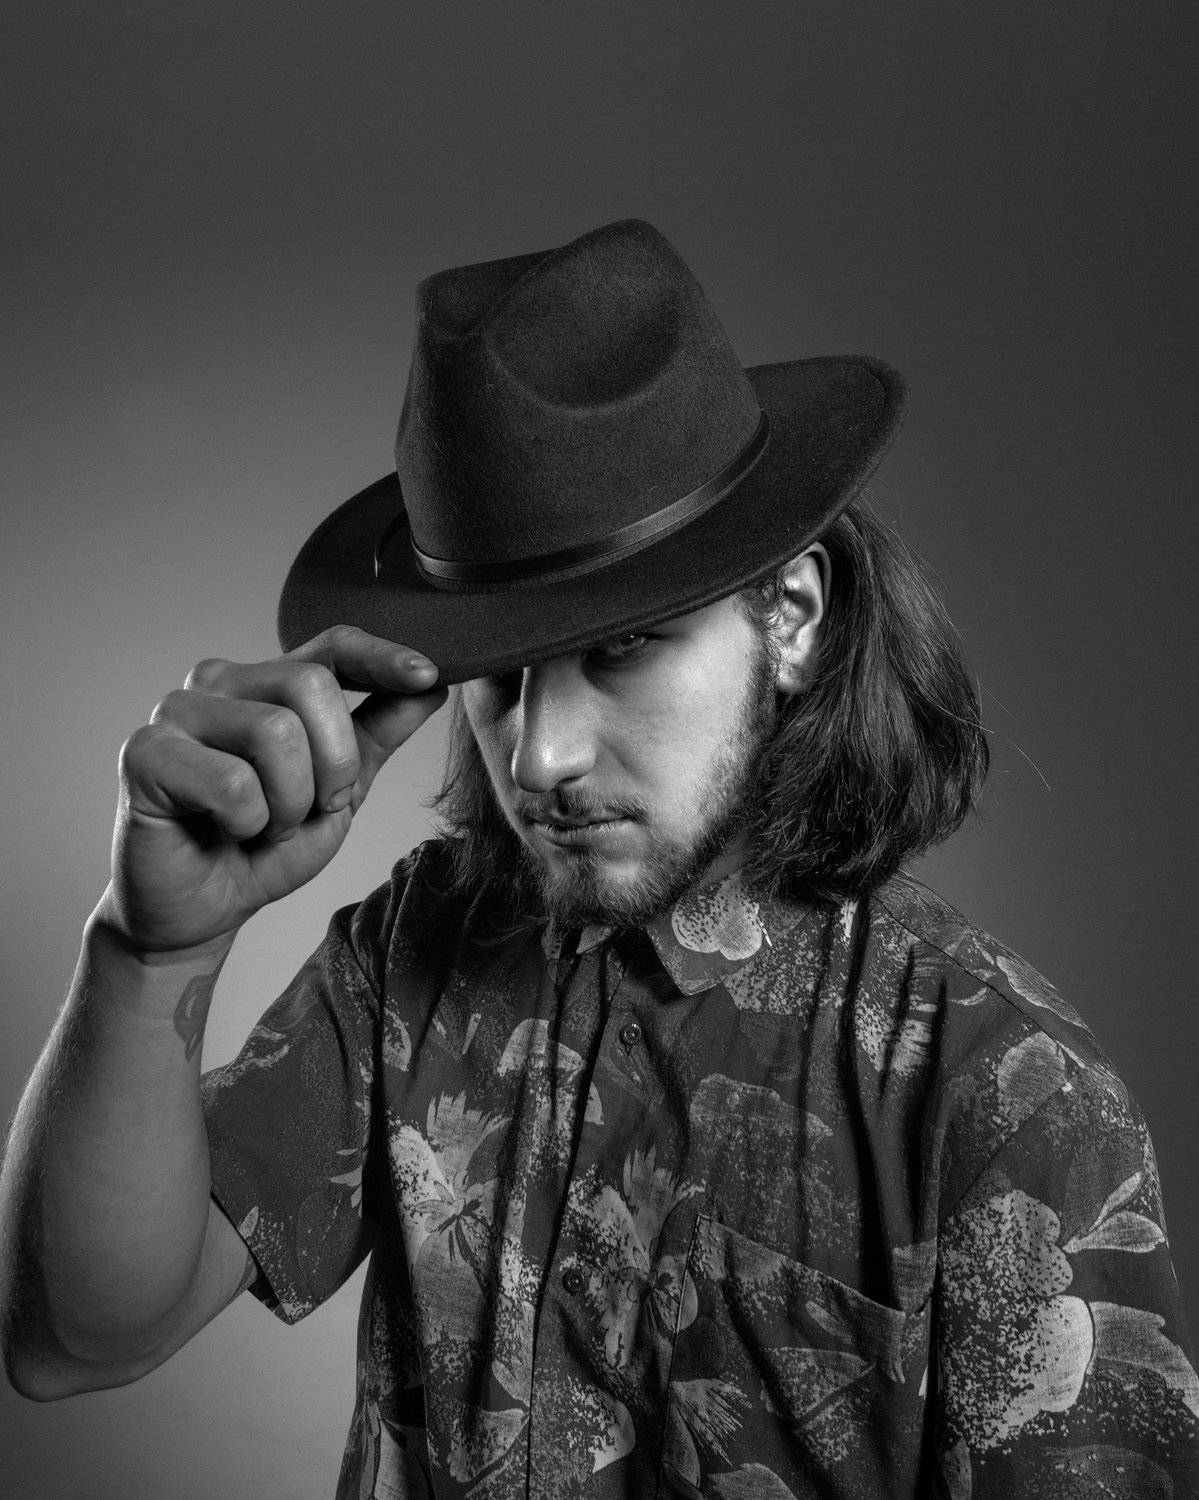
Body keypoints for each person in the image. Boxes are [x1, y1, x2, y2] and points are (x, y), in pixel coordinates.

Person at [1, 218, 1195, 1498]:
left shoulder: (1001, 1092)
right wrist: (151, 954)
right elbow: (75, 1341)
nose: (538, 758)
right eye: (497, 671)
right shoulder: (420, 949)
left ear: (791, 617)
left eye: (622, 646)